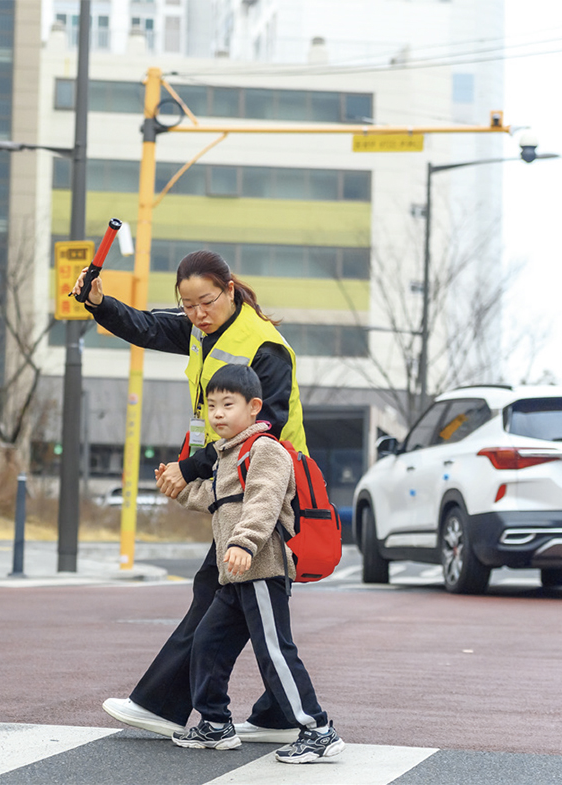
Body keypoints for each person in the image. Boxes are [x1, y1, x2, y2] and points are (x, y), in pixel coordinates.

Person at [71, 250, 307, 743]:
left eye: (206, 301)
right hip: (233, 488)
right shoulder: (202, 332)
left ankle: (165, 705)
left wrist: (190, 469)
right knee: (242, 605)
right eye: (187, 304)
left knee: (221, 599)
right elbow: (148, 326)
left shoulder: (265, 348)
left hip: (270, 492)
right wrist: (99, 303)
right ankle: (277, 714)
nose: (197, 313)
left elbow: (267, 427)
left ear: (230, 289)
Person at [164, 364, 344, 764]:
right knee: (207, 642)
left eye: (228, 404)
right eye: (212, 406)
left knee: (275, 652)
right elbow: (213, 498)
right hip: (235, 576)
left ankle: (318, 730)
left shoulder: (266, 450)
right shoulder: (228, 456)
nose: (218, 414)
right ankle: (215, 724)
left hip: (262, 569)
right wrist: (176, 488)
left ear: (254, 407)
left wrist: (244, 543)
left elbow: (263, 502)